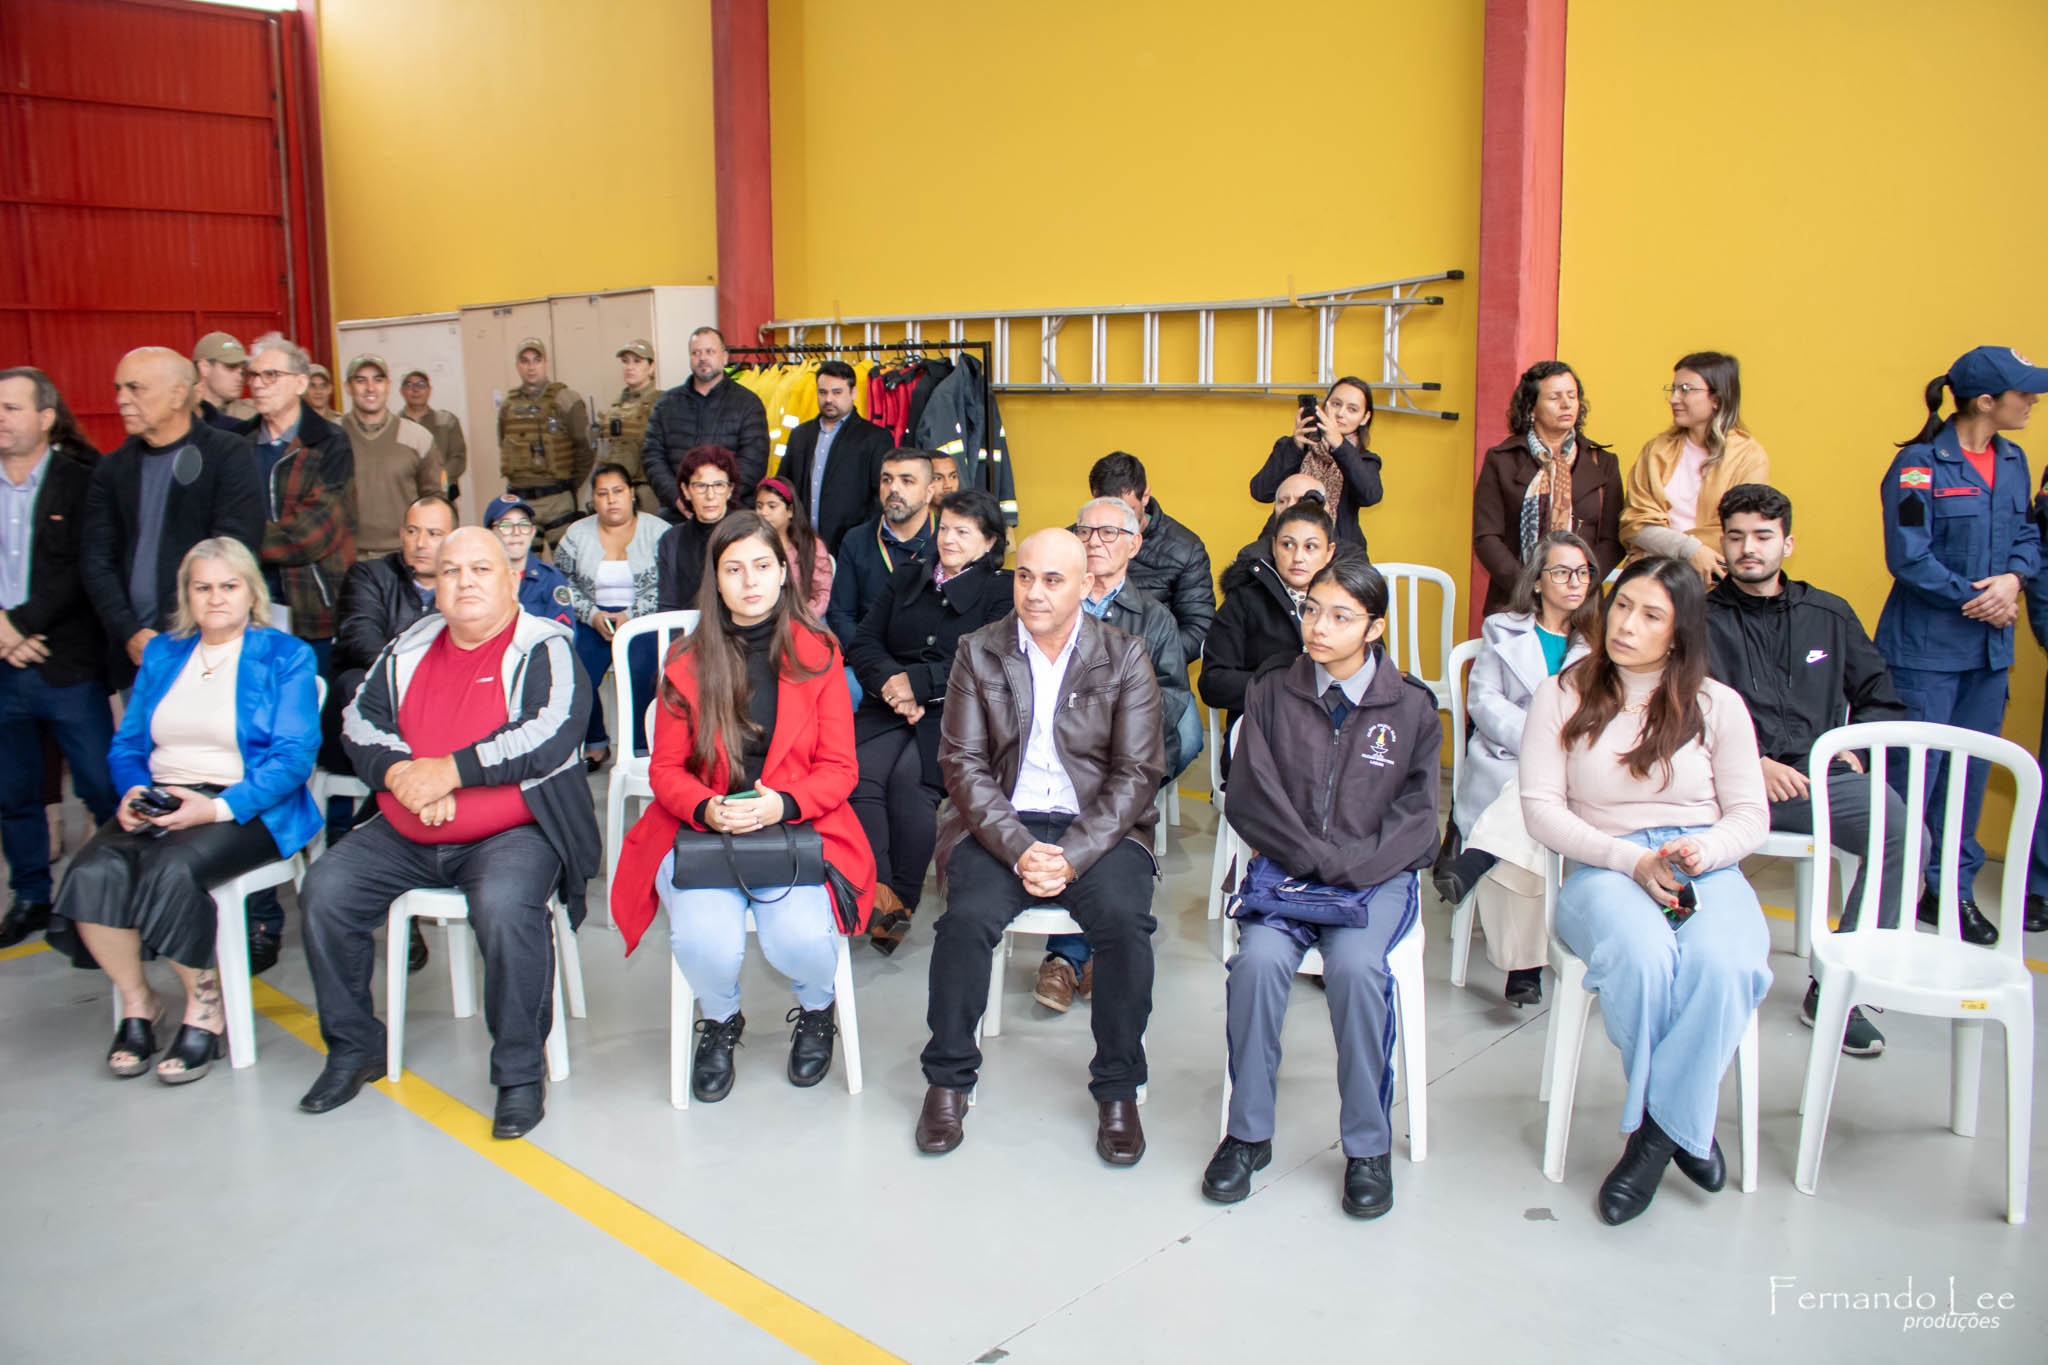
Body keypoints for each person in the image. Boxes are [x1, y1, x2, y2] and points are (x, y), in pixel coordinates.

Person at [298, 527, 599, 1139]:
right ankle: (355, 1049)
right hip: (405, 829)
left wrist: (449, 773)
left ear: (512, 579)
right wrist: (403, 775)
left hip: (513, 832)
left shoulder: (545, 647)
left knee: (505, 907)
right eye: (450, 571)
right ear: (433, 586)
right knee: (326, 890)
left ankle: (519, 1075)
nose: (465, 582)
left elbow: (548, 732)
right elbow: (358, 721)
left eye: (481, 569)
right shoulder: (409, 646)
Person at [1520, 555, 1770, 1226]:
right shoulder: (1562, 694)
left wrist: (1705, 850)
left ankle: (1656, 1137)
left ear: (1680, 632)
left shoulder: (1717, 705)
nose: (1626, 625)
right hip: (1604, 863)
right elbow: (1540, 810)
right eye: (1623, 605)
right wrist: (1629, 860)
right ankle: (1686, 1124)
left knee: (1727, 962)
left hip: (1701, 861)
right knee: (1643, 955)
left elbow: (1751, 814)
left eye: (1651, 615)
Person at [913, 529, 1164, 1164]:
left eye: (1053, 580)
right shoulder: (979, 650)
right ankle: (948, 1080)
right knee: (964, 922)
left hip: (1099, 828)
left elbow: (1137, 772)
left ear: (1087, 585)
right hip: (1000, 821)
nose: (1034, 593)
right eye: (1024, 576)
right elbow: (962, 764)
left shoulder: (1124, 655)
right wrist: (1020, 848)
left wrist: (1073, 854)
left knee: (1125, 925)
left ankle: (1118, 1089)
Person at [609, 513, 877, 1101]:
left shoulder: (820, 654)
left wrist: (784, 804)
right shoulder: (686, 660)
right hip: (707, 832)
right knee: (704, 942)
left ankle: (817, 1009)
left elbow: (840, 769)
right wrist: (707, 808)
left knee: (800, 940)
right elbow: (665, 771)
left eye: (761, 565)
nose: (750, 581)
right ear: (716, 579)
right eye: (734, 569)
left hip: (793, 827)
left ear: (784, 572)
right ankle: (721, 1019)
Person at [1204, 557, 1442, 1217]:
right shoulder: (1271, 690)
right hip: (1287, 867)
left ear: (1374, 627)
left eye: (1340, 615)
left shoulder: (1412, 707)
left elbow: (1418, 817)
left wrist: (1350, 865)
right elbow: (1251, 794)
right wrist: (1311, 856)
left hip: (1374, 875)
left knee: (1358, 970)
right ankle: (1247, 1134)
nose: (1319, 626)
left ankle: (1367, 1147)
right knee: (1257, 963)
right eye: (1311, 609)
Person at [48, 538, 319, 1085]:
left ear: (251, 592)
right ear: (187, 596)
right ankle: (139, 1002)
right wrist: (132, 792)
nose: (216, 598)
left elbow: (293, 759)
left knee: (170, 867)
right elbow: (128, 744)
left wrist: (214, 808)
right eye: (203, 587)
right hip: (163, 798)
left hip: (245, 807)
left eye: (228, 586)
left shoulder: (285, 655)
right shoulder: (163, 654)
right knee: (92, 868)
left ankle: (204, 1006)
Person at [1707, 483, 1916, 1056]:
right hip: (1724, 785)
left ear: (1788, 543)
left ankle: (1838, 989)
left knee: (1900, 831)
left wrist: (1853, 747)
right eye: (1736, 537)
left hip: (1817, 781)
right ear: (1722, 544)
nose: (1748, 548)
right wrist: (1751, 763)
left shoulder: (1828, 614)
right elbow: (1674, 713)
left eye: (1762, 536)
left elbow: (1881, 697)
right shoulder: (1695, 619)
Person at [1877, 346, 2046, 946]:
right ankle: (1890, 898)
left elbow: (2028, 533)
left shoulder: (2014, 460)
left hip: (1988, 656)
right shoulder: (1919, 465)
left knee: (1969, 776)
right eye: (2023, 394)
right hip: (1926, 653)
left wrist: (2013, 580)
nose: (2032, 402)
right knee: (1912, 779)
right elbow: (1909, 555)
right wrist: (1978, 597)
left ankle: (1949, 890)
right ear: (1986, 402)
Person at [1035, 495, 1194, 1010]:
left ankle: (1068, 955)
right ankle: (1083, 953)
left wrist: (1111, 740)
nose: (1094, 542)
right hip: (1056, 757)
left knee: (1105, 808)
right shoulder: (1050, 605)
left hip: (1128, 757)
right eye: (1084, 531)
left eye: (1109, 533)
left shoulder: (1155, 618)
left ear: (1135, 545)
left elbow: (1170, 696)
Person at [1436, 531, 1599, 1006]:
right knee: (1535, 806)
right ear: (1537, 582)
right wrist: (1540, 739)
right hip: (1506, 758)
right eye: (1562, 572)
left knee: (1537, 803)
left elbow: (1604, 712)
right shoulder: (1501, 629)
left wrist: (1557, 748)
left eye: (1583, 572)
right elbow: (1484, 701)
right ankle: (1525, 968)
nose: (1575, 582)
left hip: (1572, 767)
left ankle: (1479, 857)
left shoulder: (1602, 642)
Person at [847, 488, 1010, 954]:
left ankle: (898, 907)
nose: (950, 539)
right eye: (946, 528)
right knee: (860, 781)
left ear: (988, 542)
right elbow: (864, 642)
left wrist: (917, 685)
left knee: (911, 789)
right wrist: (893, 685)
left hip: (954, 713)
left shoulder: (1000, 591)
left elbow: (988, 659)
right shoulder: (907, 577)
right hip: (886, 705)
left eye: (964, 531)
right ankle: (881, 900)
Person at [0, 367, 117, 949]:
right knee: (13, 790)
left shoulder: (81, 481)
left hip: (66, 664)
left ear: (46, 418)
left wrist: (16, 626)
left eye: (11, 408)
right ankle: (30, 895)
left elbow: (81, 569)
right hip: (4, 668)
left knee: (101, 786)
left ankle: (110, 894)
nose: (0, 418)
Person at [80, 347, 264, 690]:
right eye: (119, 388)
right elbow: (96, 560)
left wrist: (179, 636)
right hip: (134, 654)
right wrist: (129, 632)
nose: (121, 400)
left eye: (135, 388)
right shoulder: (111, 469)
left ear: (178, 394)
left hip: (207, 649)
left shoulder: (227, 454)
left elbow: (235, 551)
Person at [238, 333, 355, 676]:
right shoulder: (237, 444)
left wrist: (243, 540)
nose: (258, 384)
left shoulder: (329, 442)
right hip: (250, 605)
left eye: (271, 375)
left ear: (300, 383)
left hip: (312, 606)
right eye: (253, 375)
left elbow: (314, 533)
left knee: (313, 697)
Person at [1471, 361, 1625, 616]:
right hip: (1515, 600)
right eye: (1554, 397)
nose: (1566, 404)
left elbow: (1613, 540)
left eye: (1572, 396)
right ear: (1531, 408)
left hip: (1581, 604)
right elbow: (1487, 538)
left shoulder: (1603, 463)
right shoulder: (1502, 460)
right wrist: (1530, 586)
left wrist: (1578, 583)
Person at [1200, 502, 1336, 780]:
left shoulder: (1348, 604)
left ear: (1329, 552)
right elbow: (1213, 683)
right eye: (1287, 545)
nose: (1298, 557)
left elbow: (1369, 673)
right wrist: (1285, 687)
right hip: (1261, 735)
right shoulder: (1244, 600)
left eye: (1311, 547)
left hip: (1332, 735)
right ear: (1274, 546)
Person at [1619, 351, 1768, 584]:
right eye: (1673, 389)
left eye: (1686, 389)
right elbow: (1635, 524)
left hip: (1715, 585)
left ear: (1717, 399)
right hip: (1652, 580)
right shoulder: (1656, 450)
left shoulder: (1749, 457)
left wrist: (1661, 548)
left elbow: (1738, 531)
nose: (1673, 399)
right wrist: (1690, 550)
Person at [556, 463, 666, 768]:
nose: (611, 500)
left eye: (618, 491)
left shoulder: (658, 531)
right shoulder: (576, 534)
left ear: (631, 493)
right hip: (593, 621)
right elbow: (561, 584)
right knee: (575, 671)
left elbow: (670, 583)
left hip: (643, 622)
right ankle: (595, 742)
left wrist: (630, 616)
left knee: (643, 673)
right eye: (602, 494)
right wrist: (592, 615)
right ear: (593, 499)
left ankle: (640, 749)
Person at [1089, 451, 1215, 663]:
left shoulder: (1185, 549)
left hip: (1151, 670)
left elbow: (1198, 629)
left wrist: (1140, 664)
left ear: (1145, 496)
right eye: (1106, 510)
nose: (1116, 521)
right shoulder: (1076, 541)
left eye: (1126, 510)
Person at [643, 326, 770, 512]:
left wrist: (716, 499)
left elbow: (754, 461)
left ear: (724, 357)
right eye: (696, 353)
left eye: (710, 351)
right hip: (677, 512)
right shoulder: (666, 404)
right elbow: (652, 457)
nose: (702, 358)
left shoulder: (748, 404)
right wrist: (678, 498)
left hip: (732, 513)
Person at [776, 359, 895, 557]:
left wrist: (860, 540)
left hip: (851, 549)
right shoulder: (800, 435)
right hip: (801, 547)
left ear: (853, 393)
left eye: (837, 392)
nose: (829, 399)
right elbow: (784, 486)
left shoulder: (875, 438)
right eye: (823, 392)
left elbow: (881, 497)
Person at [826, 449, 939, 652]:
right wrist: (873, 660)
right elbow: (841, 614)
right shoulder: (856, 539)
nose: (893, 488)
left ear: (929, 492)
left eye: (907, 481)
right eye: (886, 480)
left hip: (929, 660)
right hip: (868, 657)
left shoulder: (947, 540)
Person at [1249, 377, 1382, 550]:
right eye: (1336, 404)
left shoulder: (1365, 461)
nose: (1341, 413)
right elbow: (1260, 492)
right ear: (1324, 406)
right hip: (1283, 547)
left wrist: (1339, 445)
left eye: (1352, 409)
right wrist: (1295, 447)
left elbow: (1370, 495)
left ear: (1364, 418)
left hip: (1338, 553)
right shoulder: (1291, 447)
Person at [341, 354, 443, 560]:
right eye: (360, 380)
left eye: (378, 380)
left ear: (388, 386)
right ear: (348, 387)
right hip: (347, 556)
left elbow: (435, 500)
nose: (370, 388)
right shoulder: (331, 436)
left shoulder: (418, 437)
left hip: (402, 555)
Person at [496, 338, 592, 552]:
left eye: (536, 360)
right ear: (517, 365)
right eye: (525, 361)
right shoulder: (508, 405)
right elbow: (503, 443)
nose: (531, 367)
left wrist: (568, 486)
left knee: (565, 563)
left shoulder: (566, 399)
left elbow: (585, 449)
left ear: (545, 363)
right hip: (521, 502)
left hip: (557, 500)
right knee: (522, 565)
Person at [655, 444, 738, 611]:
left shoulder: (748, 534)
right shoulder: (671, 540)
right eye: (700, 486)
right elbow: (667, 605)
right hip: (685, 625)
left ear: (730, 490)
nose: (710, 495)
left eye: (718, 485)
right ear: (685, 490)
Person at [483, 495, 574, 631]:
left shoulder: (551, 579)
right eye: (506, 525)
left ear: (532, 532)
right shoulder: (480, 579)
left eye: (523, 525)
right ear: (489, 534)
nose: (516, 532)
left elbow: (563, 633)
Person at [752, 475, 833, 619]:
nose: (763, 512)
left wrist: (799, 620)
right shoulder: (751, 546)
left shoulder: (810, 546)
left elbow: (823, 593)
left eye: (772, 506)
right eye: (759, 506)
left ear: (790, 510)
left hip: (803, 620)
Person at [399, 370, 468, 504]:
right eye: (409, 385)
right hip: (406, 497)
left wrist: (438, 480)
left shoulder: (446, 420)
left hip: (443, 495)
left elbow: (458, 459)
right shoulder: (395, 425)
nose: (415, 389)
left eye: (421, 384)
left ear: (429, 390)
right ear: (402, 391)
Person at [192, 332, 255, 428]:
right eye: (231, 367)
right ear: (204, 367)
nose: (240, 377)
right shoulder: (180, 415)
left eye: (242, 370)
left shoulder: (254, 413)